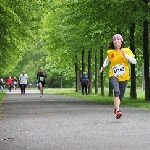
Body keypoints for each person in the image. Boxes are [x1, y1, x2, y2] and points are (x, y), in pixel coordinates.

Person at [100, 34, 137, 119]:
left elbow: (134, 61)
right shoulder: (110, 52)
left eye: (118, 39)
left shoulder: (126, 50)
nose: (116, 40)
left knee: (121, 95)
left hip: (124, 76)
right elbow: (107, 60)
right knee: (116, 91)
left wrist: (126, 56)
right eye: (114, 39)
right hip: (113, 75)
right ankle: (118, 111)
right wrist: (103, 67)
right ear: (113, 42)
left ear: (121, 41)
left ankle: (116, 108)